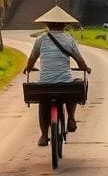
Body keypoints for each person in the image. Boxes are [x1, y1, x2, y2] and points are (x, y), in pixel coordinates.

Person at [24, 18, 91, 147]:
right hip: (64, 82)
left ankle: (44, 136)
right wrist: (85, 68)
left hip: (45, 84)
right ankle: (71, 118)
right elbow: (80, 60)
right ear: (64, 25)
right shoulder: (69, 40)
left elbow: (32, 58)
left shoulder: (41, 39)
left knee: (43, 103)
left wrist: (28, 68)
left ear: (47, 25)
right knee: (74, 87)